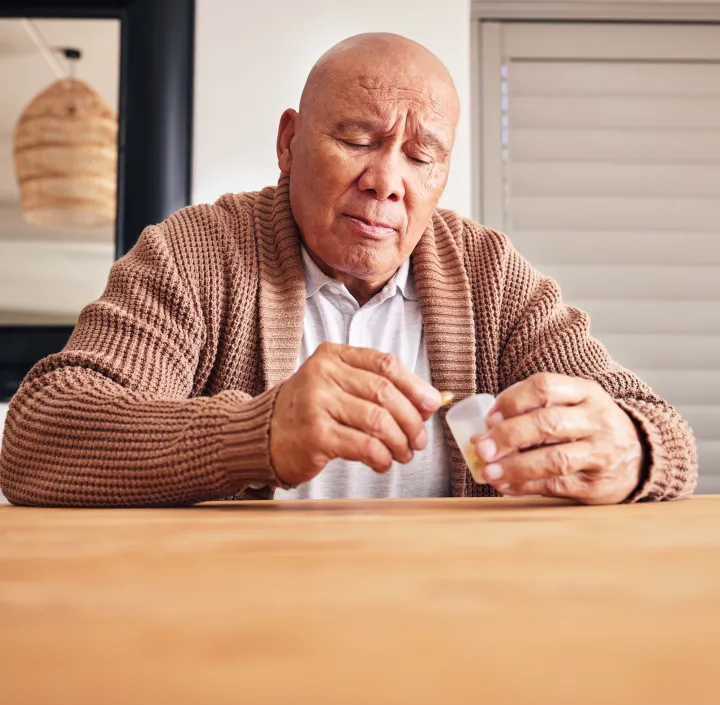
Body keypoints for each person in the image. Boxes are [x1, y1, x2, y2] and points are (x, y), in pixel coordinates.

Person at [0, 33, 697, 507]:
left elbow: (665, 434)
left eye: (422, 157)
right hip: (225, 623)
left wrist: (628, 449)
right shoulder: (198, 254)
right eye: (358, 139)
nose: (387, 181)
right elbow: (37, 440)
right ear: (289, 142)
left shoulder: (490, 275)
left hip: (456, 620)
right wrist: (258, 432)